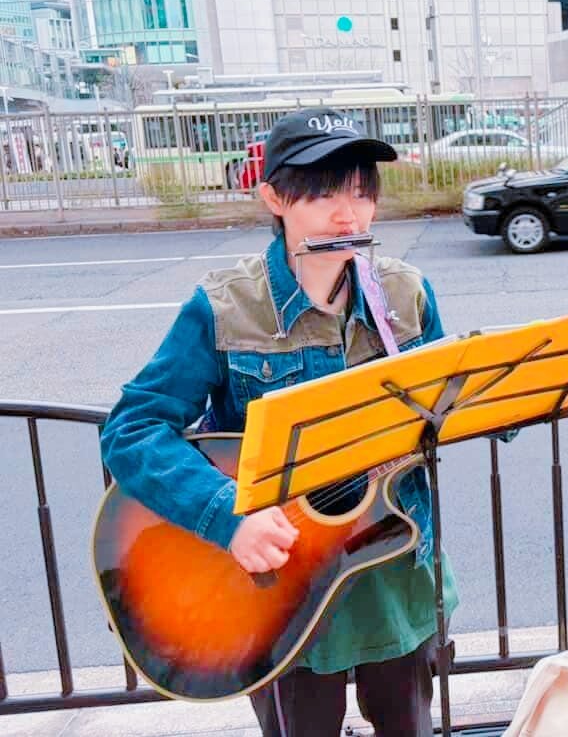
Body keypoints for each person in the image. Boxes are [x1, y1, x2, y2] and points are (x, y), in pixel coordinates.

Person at [100, 107, 459, 737]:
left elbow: (449, 403)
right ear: (273, 197)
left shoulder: (406, 295)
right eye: (322, 196)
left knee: (410, 727)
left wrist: (512, 390)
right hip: (277, 580)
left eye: (361, 193)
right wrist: (225, 516)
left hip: (391, 561)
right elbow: (132, 429)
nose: (348, 216)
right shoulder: (225, 307)